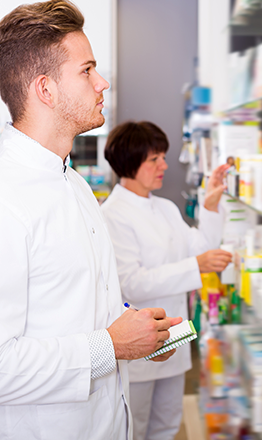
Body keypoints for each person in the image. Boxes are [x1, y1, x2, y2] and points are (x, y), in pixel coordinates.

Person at [0, 0, 180, 440]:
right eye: (86, 71)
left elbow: (74, 303)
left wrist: (136, 333)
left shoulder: (75, 185)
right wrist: (112, 346)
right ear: (45, 89)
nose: (102, 82)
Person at [101, 121, 232, 440]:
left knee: (168, 426)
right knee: (136, 426)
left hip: (174, 334)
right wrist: (194, 266)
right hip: (140, 339)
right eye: (155, 159)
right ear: (130, 164)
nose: (165, 165)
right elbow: (132, 283)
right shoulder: (113, 214)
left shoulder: (165, 207)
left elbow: (201, 247)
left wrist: (211, 206)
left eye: (163, 156)